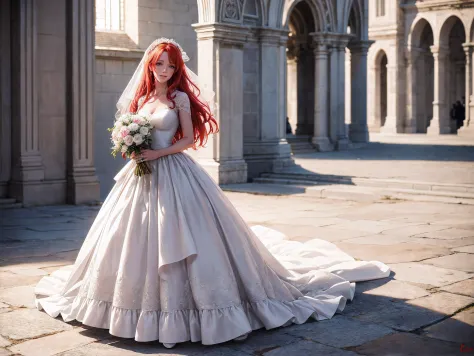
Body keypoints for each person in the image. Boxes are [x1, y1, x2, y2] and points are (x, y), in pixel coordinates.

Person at [34, 38, 390, 349]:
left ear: (176, 68)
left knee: (185, 238)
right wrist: (130, 147)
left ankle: (197, 314)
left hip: (173, 170)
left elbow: (188, 139)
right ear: (150, 65)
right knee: (126, 240)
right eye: (158, 63)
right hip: (141, 176)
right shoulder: (142, 98)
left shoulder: (180, 100)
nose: (163, 69)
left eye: (170, 64)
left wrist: (157, 152)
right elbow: (126, 131)